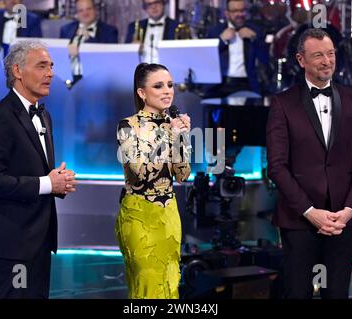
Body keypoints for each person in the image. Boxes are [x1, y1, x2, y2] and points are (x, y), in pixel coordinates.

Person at [266, 28, 352, 299]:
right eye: (318, 55)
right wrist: (310, 211)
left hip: (341, 221)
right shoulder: (282, 103)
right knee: (298, 294)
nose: (327, 61)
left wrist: (348, 210)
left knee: (336, 294)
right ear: (301, 60)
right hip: (299, 220)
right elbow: (277, 167)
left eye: (331, 53)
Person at [0, 40, 77, 299]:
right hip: (11, 245)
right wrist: (47, 184)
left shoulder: (44, 115)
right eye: (42, 66)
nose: (50, 73)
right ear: (18, 71)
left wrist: (58, 182)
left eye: (51, 66)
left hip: (39, 241)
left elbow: (34, 170)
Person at [115, 63, 191, 299]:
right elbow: (140, 173)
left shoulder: (175, 125)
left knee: (170, 284)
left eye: (170, 85)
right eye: (158, 86)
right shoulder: (128, 126)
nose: (167, 91)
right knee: (147, 285)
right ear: (142, 92)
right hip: (140, 215)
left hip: (169, 214)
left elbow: (182, 174)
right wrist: (169, 137)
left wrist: (180, 139)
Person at [205, 0, 268, 97]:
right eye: (235, 11)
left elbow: (265, 58)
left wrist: (253, 38)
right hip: (220, 85)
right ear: (227, 13)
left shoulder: (255, 30)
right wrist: (222, 40)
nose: (239, 14)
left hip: (247, 84)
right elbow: (206, 57)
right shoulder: (215, 31)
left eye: (242, 10)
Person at [60, 0, 118, 84]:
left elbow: (110, 60)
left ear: (95, 10)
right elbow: (59, 56)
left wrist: (90, 39)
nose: (85, 13)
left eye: (88, 9)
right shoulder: (65, 29)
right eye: (81, 10)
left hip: (97, 81)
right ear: (77, 13)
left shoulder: (110, 31)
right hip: (69, 79)